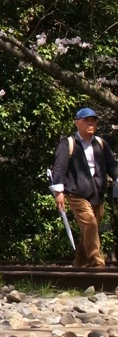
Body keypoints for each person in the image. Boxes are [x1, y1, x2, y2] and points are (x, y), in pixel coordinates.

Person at [50, 107, 118, 269]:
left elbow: (112, 166)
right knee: (90, 224)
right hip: (76, 193)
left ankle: (80, 262)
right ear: (77, 123)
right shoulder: (68, 143)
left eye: (93, 121)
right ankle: (97, 263)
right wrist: (58, 192)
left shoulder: (100, 143)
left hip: (97, 193)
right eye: (86, 120)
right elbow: (59, 168)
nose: (91, 124)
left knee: (89, 229)